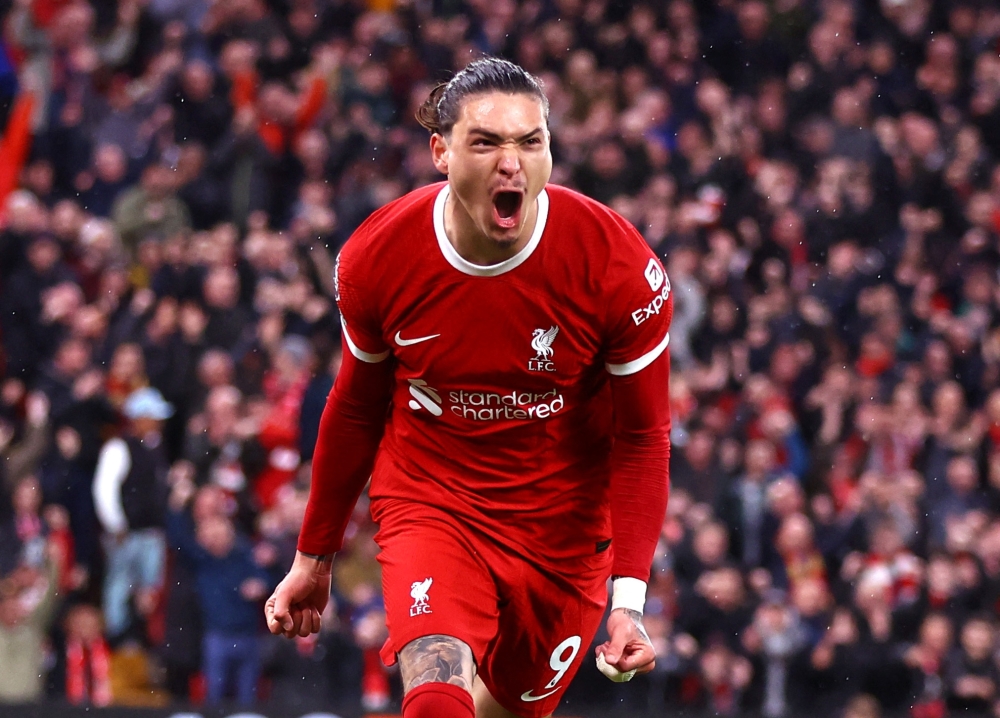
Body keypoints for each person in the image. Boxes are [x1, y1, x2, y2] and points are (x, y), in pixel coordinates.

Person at [265, 57, 673, 718]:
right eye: (486, 142)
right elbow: (356, 408)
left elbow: (642, 435)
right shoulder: (379, 257)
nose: (511, 162)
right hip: (435, 500)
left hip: (564, 529)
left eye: (530, 142)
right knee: (434, 694)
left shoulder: (616, 265)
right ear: (442, 153)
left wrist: (629, 604)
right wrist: (314, 556)